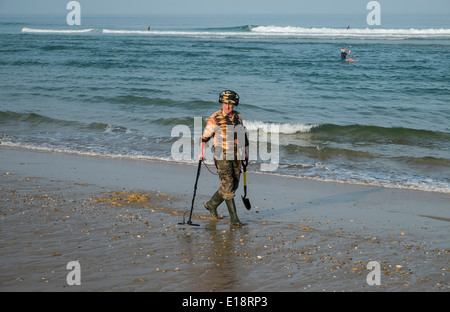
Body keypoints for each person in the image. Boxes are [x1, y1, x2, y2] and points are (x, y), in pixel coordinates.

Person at [199, 90, 249, 226]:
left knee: (234, 185)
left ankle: (211, 204)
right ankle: (234, 219)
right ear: (222, 102)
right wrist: (201, 153)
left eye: (230, 104)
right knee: (228, 186)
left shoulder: (238, 116)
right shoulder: (214, 118)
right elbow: (204, 138)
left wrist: (244, 152)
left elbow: (240, 134)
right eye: (225, 103)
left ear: (235, 104)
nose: (227, 106)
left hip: (236, 154)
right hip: (221, 154)